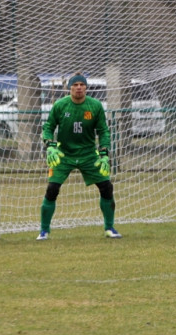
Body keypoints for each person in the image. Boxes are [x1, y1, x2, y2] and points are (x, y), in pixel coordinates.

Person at [38, 73, 118, 240]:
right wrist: (50, 145)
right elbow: (48, 127)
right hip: (64, 154)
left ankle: (109, 228)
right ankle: (44, 231)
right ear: (70, 88)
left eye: (82, 84)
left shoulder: (95, 106)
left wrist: (104, 153)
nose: (79, 87)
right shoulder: (60, 105)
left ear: (86, 87)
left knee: (106, 187)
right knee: (52, 189)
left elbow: (103, 131)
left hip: (89, 154)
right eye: (76, 85)